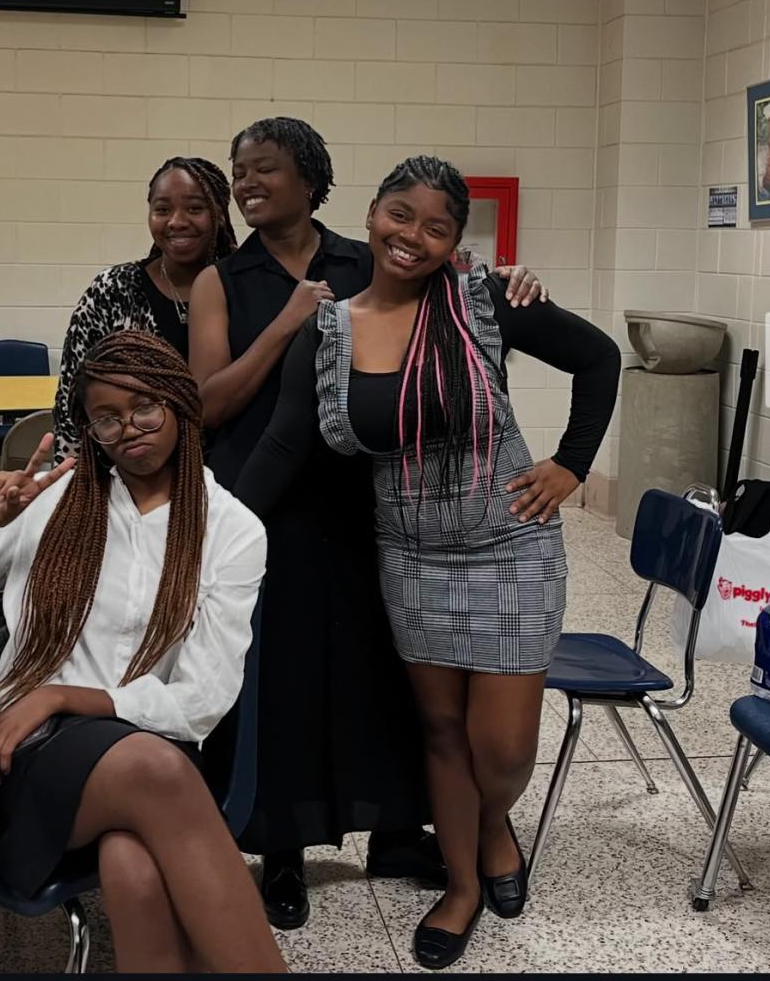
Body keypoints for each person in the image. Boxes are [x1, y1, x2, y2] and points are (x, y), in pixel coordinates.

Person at [232, 155, 621, 968]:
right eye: (399, 215)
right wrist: (206, 528)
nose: (412, 236)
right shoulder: (329, 329)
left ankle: (489, 823)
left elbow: (597, 359)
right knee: (441, 732)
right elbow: (283, 444)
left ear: (453, 242)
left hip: (509, 546)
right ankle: (462, 884)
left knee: (501, 751)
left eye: (436, 227)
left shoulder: (483, 301)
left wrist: (570, 465)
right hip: (411, 558)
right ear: (372, 215)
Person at [188, 117, 548, 931]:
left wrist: (515, 279)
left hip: (374, 499)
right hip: (269, 497)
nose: (247, 183)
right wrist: (287, 322)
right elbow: (208, 404)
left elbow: (467, 302)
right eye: (239, 170)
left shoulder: (366, 257)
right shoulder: (226, 278)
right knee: (281, 678)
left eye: (264, 169)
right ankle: (282, 848)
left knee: (388, 679)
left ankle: (399, 830)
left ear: (310, 180)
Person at [0, 331, 286, 976]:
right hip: (21, 759)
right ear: (90, 429)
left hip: (140, 751)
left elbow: (201, 701)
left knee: (133, 863)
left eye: (145, 408)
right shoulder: (53, 502)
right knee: (155, 772)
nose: (129, 430)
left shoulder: (231, 529)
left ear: (179, 403)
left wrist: (60, 695)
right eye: (107, 418)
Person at [54, 156, 237, 463]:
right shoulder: (112, 290)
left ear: (219, 214)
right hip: (131, 474)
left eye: (195, 208)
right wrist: (75, 478)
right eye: (162, 210)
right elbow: (72, 398)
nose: (176, 221)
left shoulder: (244, 288)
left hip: (231, 473)